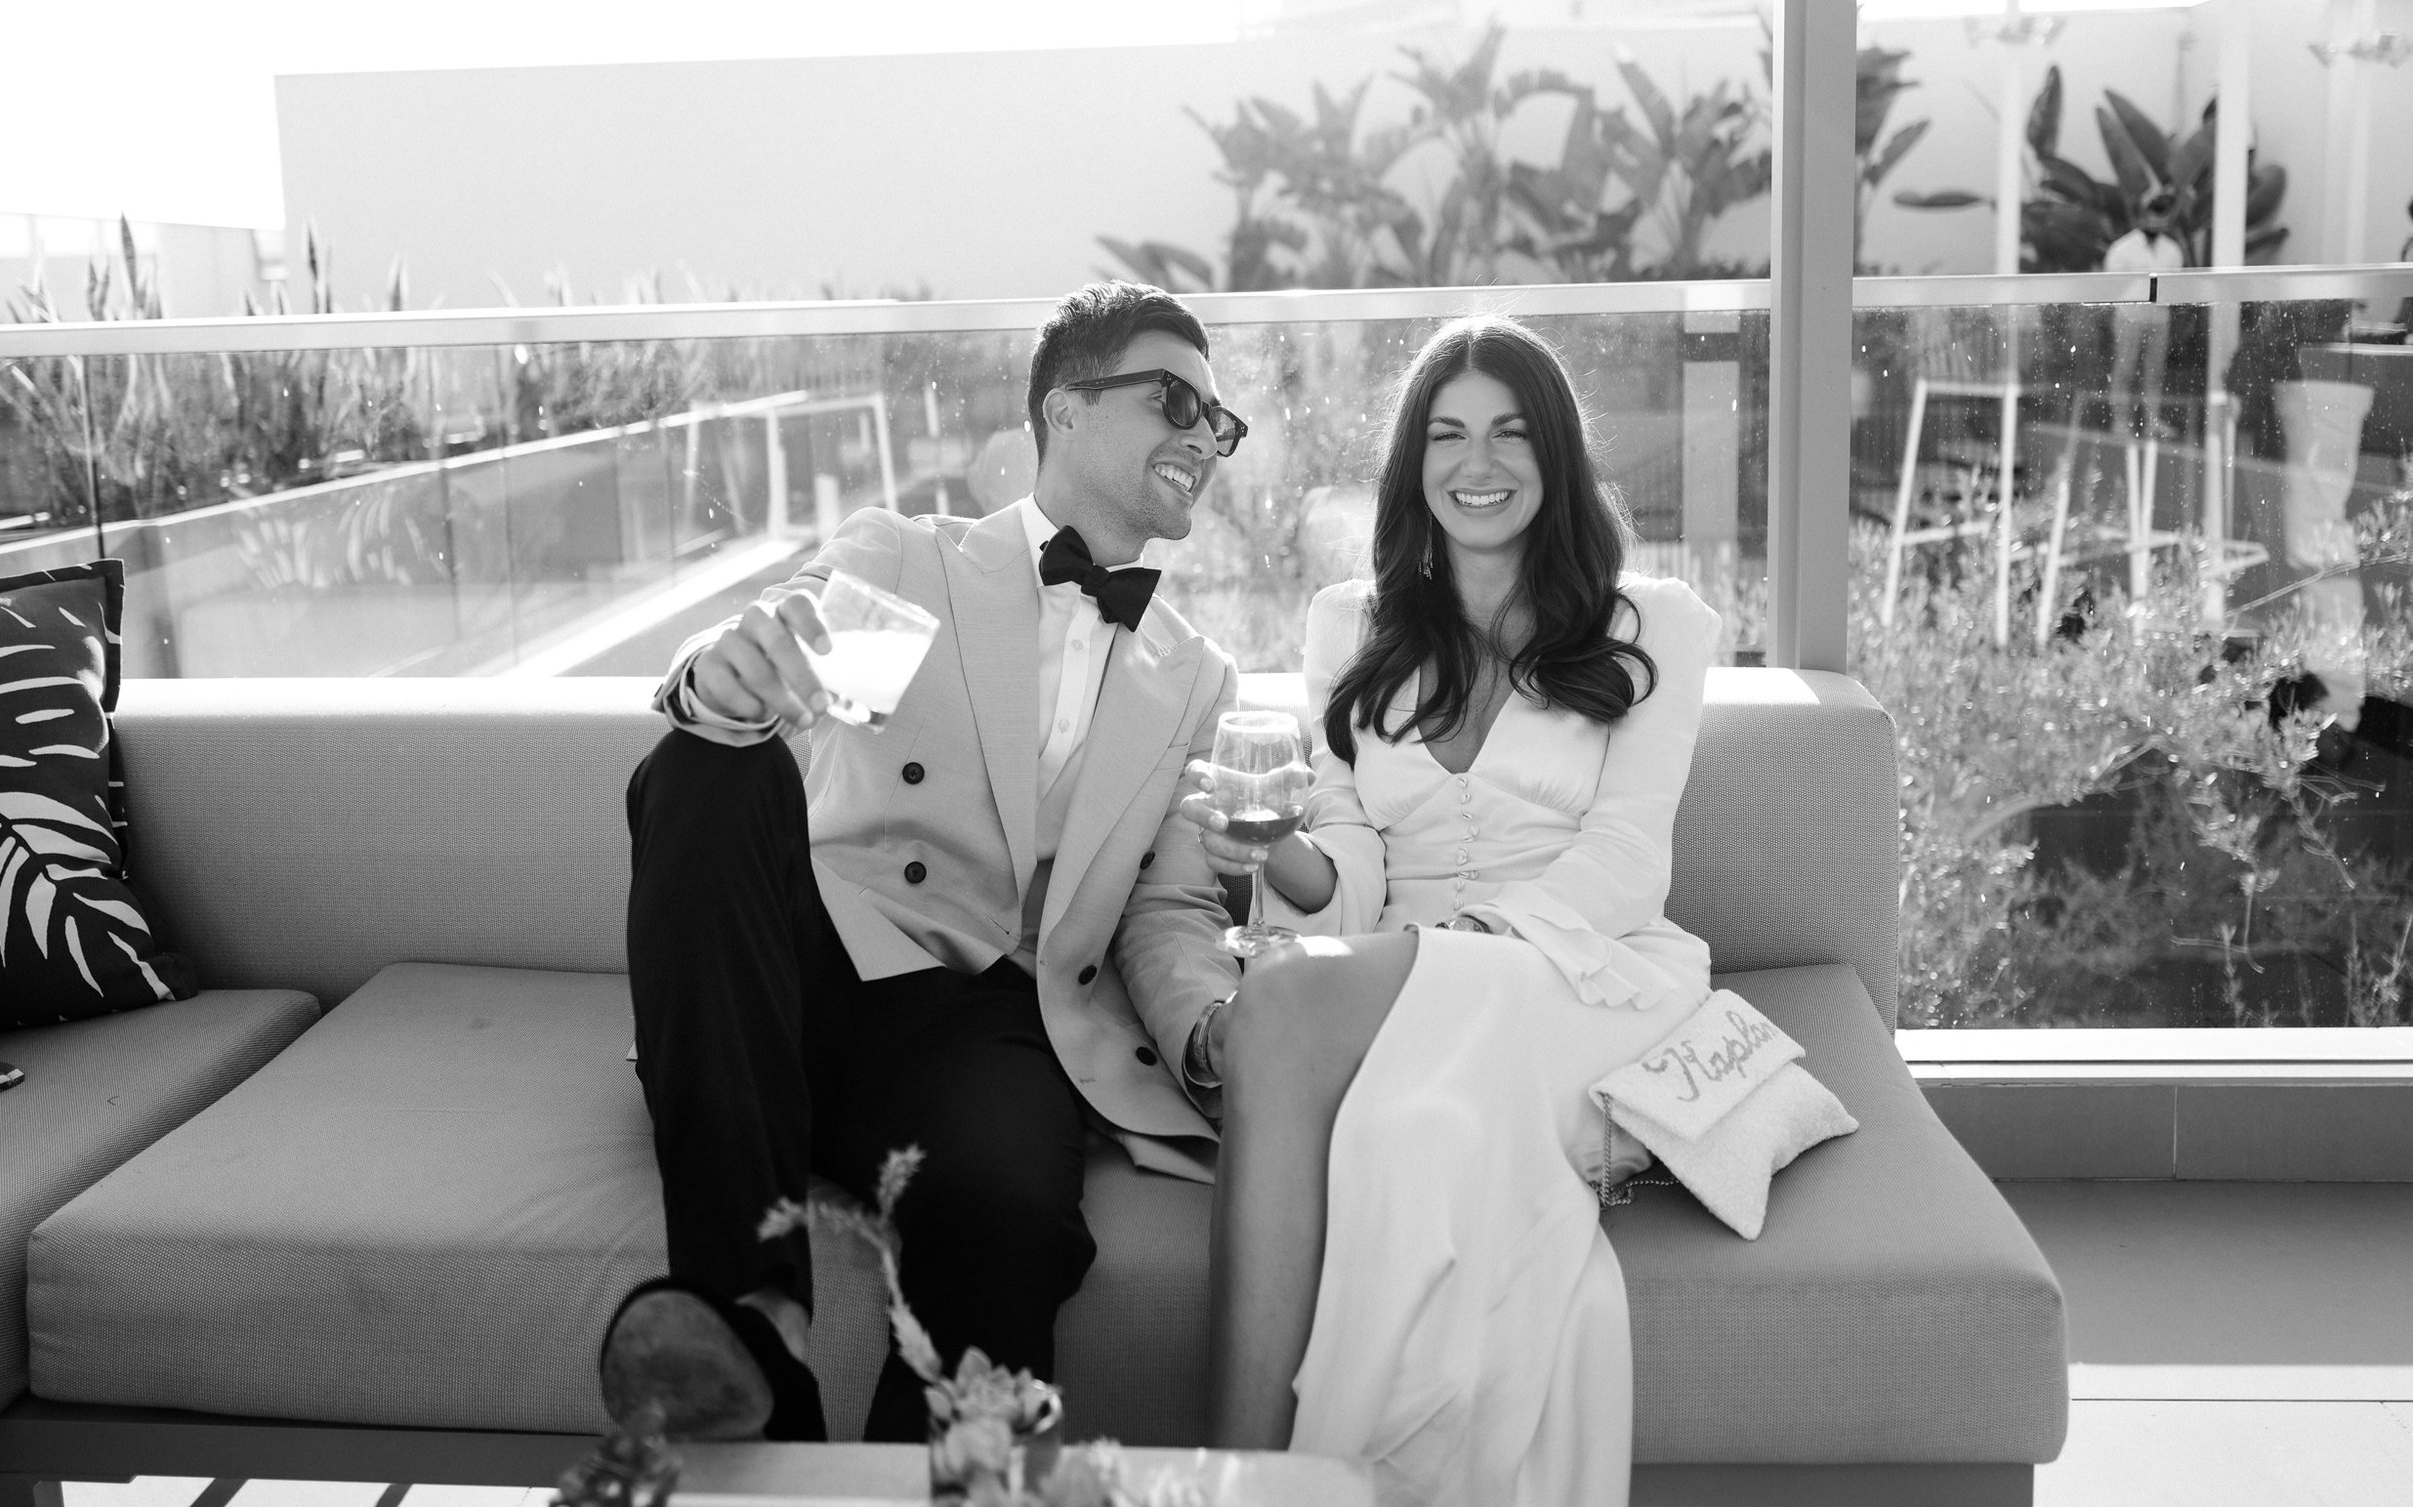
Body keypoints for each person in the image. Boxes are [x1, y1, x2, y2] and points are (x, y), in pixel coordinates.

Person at [605, 281, 1249, 1443]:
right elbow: (790, 660)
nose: (1204, 436)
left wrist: (1212, 1029)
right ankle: (751, 1322)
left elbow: (1166, 908)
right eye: (1174, 400)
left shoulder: (1193, 677)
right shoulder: (916, 565)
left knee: (1008, 1208)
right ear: (1065, 408)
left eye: (1221, 421)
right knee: (706, 767)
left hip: (978, 1017)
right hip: (801, 959)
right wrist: (725, 676)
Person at [1183, 315, 1721, 1506]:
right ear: (1413, 463)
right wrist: (1280, 861)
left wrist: (1453, 950)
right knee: (1397, 1128)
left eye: (1510, 433)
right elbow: (1353, 861)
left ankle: (1233, 1478)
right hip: (1403, 977)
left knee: (1280, 1004)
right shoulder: (1348, 624)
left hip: (1585, 974)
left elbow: (1628, 858)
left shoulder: (1653, 625)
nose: (1478, 463)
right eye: (1448, 435)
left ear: (1555, 454)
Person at [2103, 191, 2182, 434]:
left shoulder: (2172, 250)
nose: (2155, 223)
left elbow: (2176, 284)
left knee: (2155, 371)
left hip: (2160, 316)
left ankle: (2152, 420)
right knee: (2125, 368)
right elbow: (2112, 284)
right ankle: (2120, 420)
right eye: (2152, 216)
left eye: (2161, 218)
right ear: (2142, 217)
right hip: (2130, 315)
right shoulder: (2122, 249)